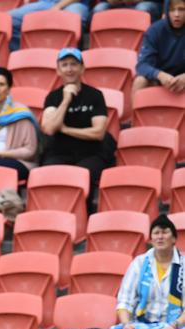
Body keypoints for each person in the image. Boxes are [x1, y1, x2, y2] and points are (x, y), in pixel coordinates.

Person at [40, 48, 115, 210]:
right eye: (65, 65)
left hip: (91, 153)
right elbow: (50, 129)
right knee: (48, 174)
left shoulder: (95, 95)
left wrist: (66, 129)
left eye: (74, 64)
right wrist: (66, 100)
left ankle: (83, 218)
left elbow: (98, 133)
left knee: (81, 175)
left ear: (82, 68)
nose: (69, 69)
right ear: (58, 70)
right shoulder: (53, 97)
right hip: (60, 153)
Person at [112, 214, 185, 329]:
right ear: (151, 240)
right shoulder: (139, 263)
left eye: (165, 232)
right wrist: (126, 324)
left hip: (177, 328)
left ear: (174, 239)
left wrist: (173, 326)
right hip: (141, 327)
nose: (160, 237)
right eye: (156, 233)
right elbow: (125, 301)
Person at [133, 0, 185, 95]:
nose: (177, 14)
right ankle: (136, 110)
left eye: (181, 9)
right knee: (140, 81)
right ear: (166, 12)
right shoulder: (154, 30)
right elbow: (142, 65)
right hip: (159, 78)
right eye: (172, 10)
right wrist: (160, 75)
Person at [8, 0, 91, 51]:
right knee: (8, 20)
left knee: (73, 20)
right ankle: (31, 52)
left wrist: (58, 6)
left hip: (74, 3)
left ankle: (68, 59)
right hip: (46, 3)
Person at [92, 0, 163, 22]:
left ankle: (141, 44)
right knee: (99, 9)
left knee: (142, 9)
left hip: (145, 3)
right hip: (117, 4)